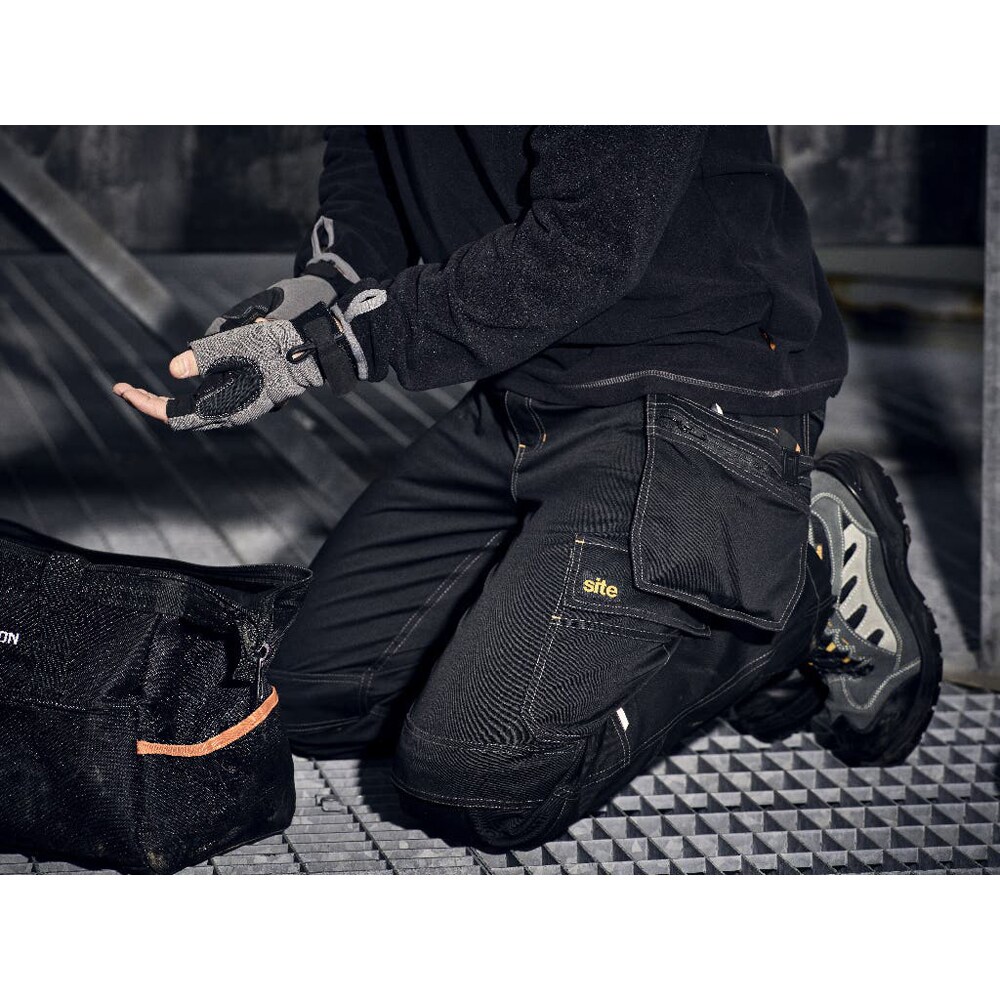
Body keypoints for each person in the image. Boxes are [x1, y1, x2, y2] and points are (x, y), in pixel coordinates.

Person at [113, 126, 942, 850]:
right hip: (528, 387)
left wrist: (322, 349)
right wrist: (322, 286)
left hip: (692, 377)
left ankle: (791, 578)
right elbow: (373, 155)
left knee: (477, 777)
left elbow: (590, 241)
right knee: (299, 698)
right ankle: (648, 581)